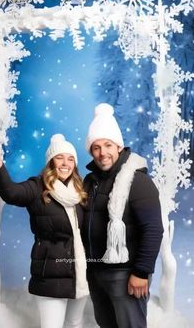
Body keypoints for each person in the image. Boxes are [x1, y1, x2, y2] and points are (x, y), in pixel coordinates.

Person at [0, 134, 89, 328]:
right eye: (60, 158)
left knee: (74, 323)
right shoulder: (37, 187)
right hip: (50, 274)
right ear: (50, 162)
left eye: (70, 159)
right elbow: (10, 193)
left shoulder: (79, 192)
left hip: (79, 274)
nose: (66, 163)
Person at [82, 103, 164, 328]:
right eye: (96, 147)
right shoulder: (91, 182)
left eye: (107, 145)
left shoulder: (137, 180)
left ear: (118, 146)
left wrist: (141, 272)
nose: (102, 153)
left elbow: (153, 230)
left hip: (126, 274)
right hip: (96, 271)